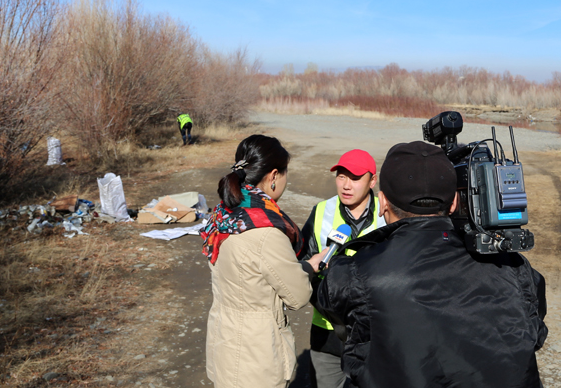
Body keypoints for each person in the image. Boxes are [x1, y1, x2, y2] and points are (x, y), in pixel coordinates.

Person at [314, 141, 548, 388]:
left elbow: (332, 305)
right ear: (454, 203)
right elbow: (535, 335)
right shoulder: (513, 266)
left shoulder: (356, 271)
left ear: (382, 202)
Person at [201, 134, 322, 388]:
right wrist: (308, 268)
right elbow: (298, 296)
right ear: (274, 176)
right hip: (255, 359)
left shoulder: (224, 214)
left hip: (224, 345)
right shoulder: (265, 231)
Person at [299, 149, 386, 388]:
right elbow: (303, 265)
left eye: (355, 178)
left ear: (372, 181)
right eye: (341, 176)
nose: (346, 185)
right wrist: (330, 307)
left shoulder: (386, 214)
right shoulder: (321, 211)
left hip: (373, 334)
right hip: (326, 332)